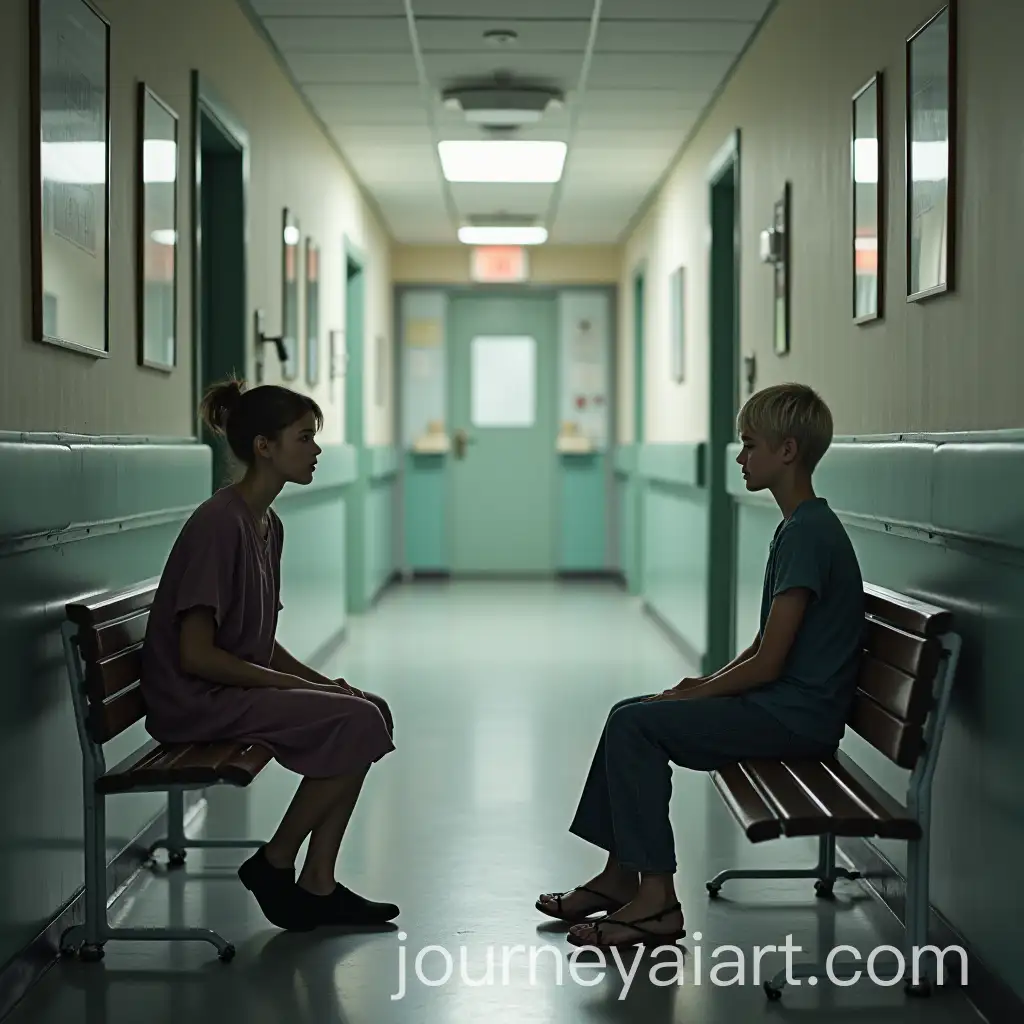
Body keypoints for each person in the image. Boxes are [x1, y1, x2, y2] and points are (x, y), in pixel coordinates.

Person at [536, 382, 864, 950]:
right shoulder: (800, 527)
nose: (740, 457)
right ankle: (620, 877)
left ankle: (656, 900)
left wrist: (699, 693)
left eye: (750, 444)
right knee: (629, 711)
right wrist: (701, 685)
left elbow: (769, 661)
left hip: (795, 719)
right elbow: (768, 645)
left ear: (787, 451)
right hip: (785, 706)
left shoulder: (808, 535)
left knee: (636, 724)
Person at [141, 377, 398, 932]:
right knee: (358, 720)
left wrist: (322, 683)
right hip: (195, 701)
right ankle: (276, 861)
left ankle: (318, 884)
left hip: (227, 691)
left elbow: (260, 641)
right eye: (304, 437)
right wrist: (292, 689)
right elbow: (197, 655)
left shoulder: (266, 524)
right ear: (265, 446)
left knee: (366, 706)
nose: (317, 450)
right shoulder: (219, 524)